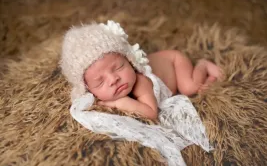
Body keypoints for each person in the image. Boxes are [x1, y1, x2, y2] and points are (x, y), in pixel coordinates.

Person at [61, 20, 222, 120]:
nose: (113, 79)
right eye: (100, 81)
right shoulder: (96, 93)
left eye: (118, 67)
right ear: (88, 89)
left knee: (189, 88)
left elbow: (151, 112)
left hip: (173, 61)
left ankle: (203, 65)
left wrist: (120, 102)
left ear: (130, 61)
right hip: (166, 60)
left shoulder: (141, 82)